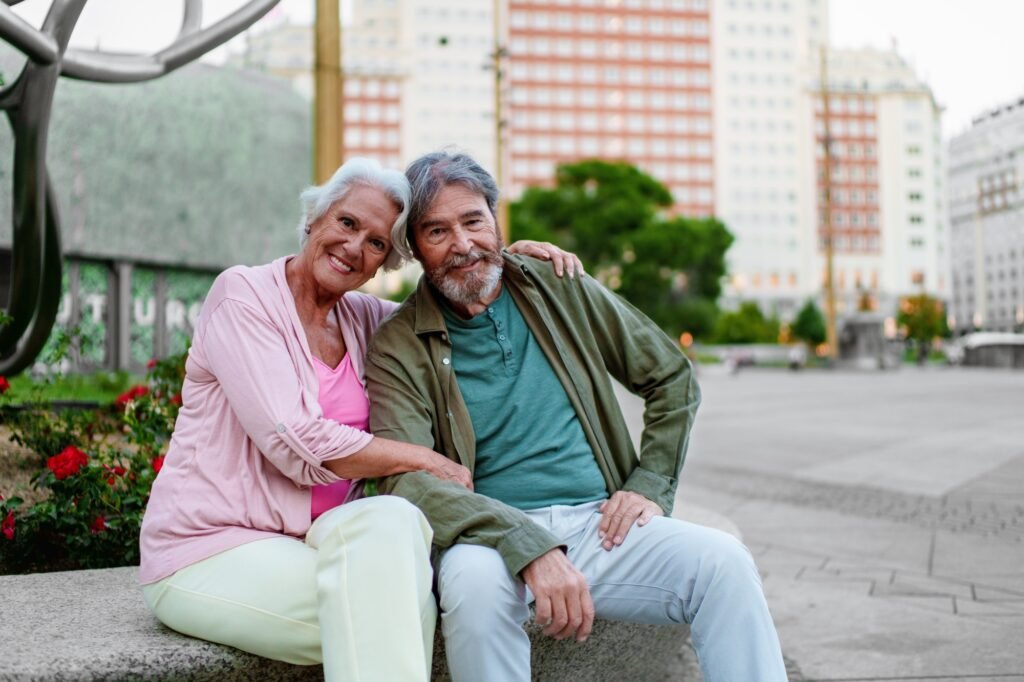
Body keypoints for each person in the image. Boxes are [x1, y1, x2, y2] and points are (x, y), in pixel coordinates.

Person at [138, 157, 581, 681]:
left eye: (376, 243)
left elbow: (455, 312)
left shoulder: (367, 321)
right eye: (348, 223)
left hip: (318, 543)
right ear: (315, 219)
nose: (355, 247)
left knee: (396, 519)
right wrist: (423, 458)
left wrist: (505, 264)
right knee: (387, 611)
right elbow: (295, 438)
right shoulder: (243, 296)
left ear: (383, 264)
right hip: (209, 549)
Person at [365, 151, 789, 682]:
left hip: (599, 524)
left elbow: (671, 377)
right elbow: (406, 480)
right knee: (472, 593)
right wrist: (526, 544)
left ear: (496, 221)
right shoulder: (397, 344)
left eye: (474, 220)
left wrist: (650, 484)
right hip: (485, 539)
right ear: (415, 248)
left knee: (724, 564)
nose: (463, 244)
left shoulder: (558, 283)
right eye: (437, 231)